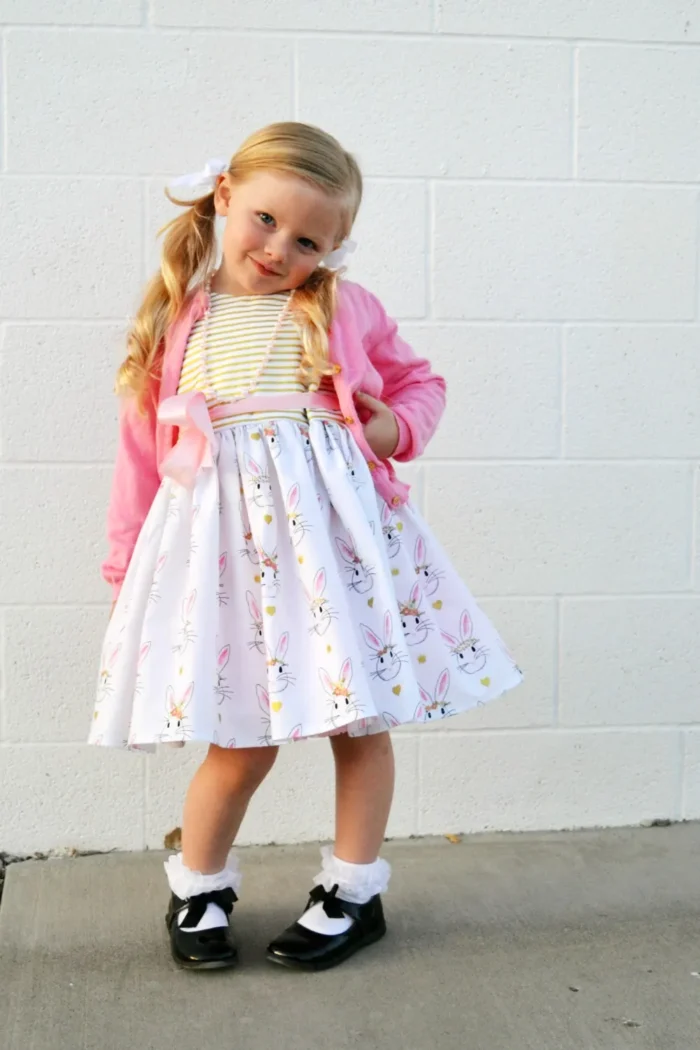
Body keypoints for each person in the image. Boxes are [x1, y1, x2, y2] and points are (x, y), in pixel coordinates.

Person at [90, 122, 522, 973]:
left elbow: (419, 382)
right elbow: (141, 455)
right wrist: (127, 570)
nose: (280, 249)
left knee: (359, 724)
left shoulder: (339, 307)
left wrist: (394, 425)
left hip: (336, 555)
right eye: (263, 222)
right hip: (227, 565)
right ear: (223, 198)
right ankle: (200, 886)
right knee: (239, 736)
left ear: (335, 247)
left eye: (309, 240)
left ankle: (354, 894)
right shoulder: (180, 317)